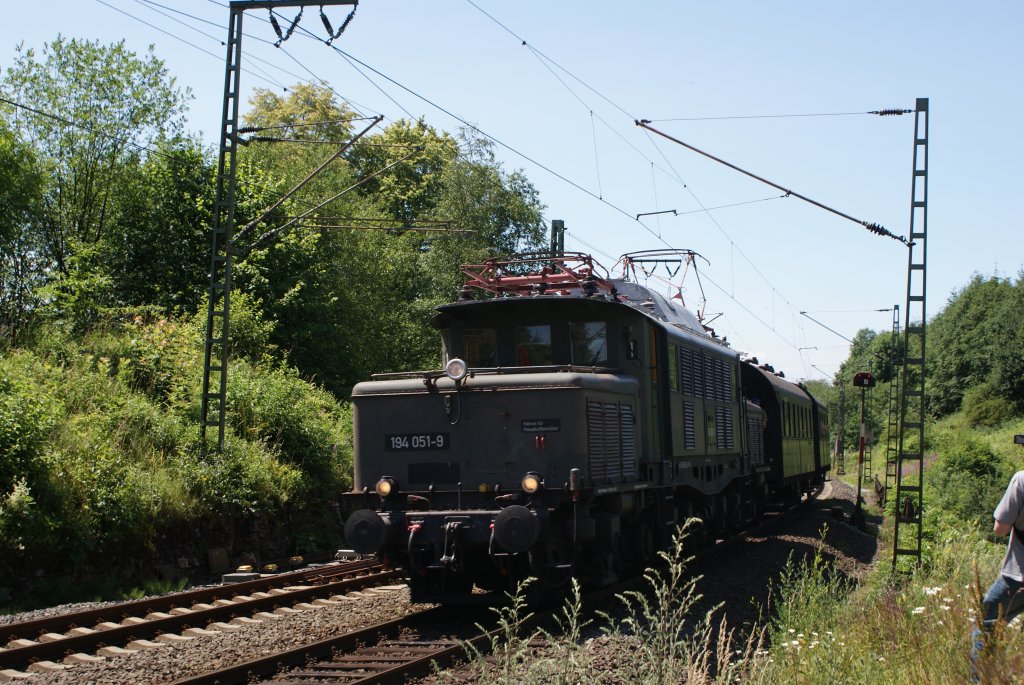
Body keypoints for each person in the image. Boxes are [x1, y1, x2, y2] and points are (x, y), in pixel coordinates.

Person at [972, 470, 1024, 679]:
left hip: (1017, 576)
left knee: (986, 621)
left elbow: (1000, 529)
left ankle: (979, 680)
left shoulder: (1021, 479)